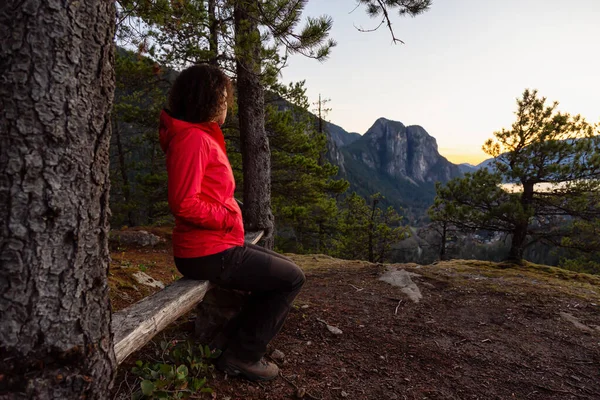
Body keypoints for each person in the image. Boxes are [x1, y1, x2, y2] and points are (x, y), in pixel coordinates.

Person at [159, 64, 305, 382]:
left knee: (288, 273)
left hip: (215, 245)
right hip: (206, 252)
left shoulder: (198, 137)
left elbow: (208, 193)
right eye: (224, 97)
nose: (228, 104)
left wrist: (231, 210)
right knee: (291, 279)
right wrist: (227, 217)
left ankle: (233, 341)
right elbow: (183, 202)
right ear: (210, 100)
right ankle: (242, 356)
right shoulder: (193, 140)